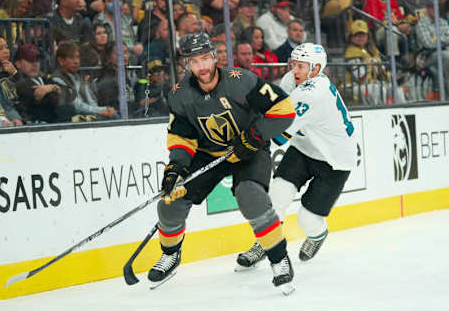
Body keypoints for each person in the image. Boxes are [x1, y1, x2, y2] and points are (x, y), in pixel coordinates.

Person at [146, 32, 296, 293]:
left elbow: (284, 109)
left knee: (251, 196)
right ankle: (170, 254)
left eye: (205, 58)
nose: (202, 66)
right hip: (209, 153)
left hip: (249, 149)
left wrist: (254, 137)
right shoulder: (180, 95)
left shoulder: (242, 81)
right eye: (195, 61)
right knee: (170, 201)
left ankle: (278, 257)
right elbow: (182, 137)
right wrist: (175, 167)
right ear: (187, 65)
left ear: (215, 57)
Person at [236, 43, 357, 268]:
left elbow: (279, 136)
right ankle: (265, 244)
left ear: (316, 68)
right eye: (294, 65)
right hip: (304, 147)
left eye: (302, 66)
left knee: (307, 219)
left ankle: (317, 235)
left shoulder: (315, 93)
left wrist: (248, 141)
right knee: (277, 196)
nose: (296, 71)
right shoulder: (291, 81)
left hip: (334, 159)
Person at [13, 43, 60, 123]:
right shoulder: (17, 82)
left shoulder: (44, 78)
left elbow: (67, 93)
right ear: (18, 64)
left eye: (37, 60)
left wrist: (51, 88)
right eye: (30, 60)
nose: (35, 64)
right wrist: (55, 89)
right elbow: (39, 96)